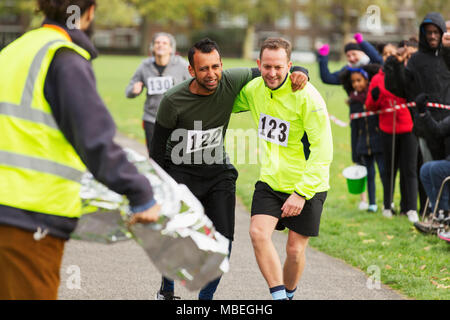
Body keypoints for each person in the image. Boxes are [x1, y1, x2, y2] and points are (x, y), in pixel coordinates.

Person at [0, 0, 160, 300]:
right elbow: (95, 139)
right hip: (28, 218)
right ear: (89, 12)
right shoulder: (62, 57)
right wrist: (141, 193)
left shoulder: (13, 51)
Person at [149, 38, 309, 300]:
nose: (211, 74)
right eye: (203, 69)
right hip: (180, 171)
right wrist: (159, 189)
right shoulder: (172, 100)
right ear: (191, 71)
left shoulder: (232, 80)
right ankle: (167, 290)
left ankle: (206, 299)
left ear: (222, 65)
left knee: (224, 241)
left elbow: (273, 70)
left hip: (218, 173)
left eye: (215, 67)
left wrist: (302, 71)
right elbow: (157, 149)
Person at [233, 38, 333, 300]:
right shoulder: (254, 90)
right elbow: (226, 103)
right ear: (258, 65)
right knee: (257, 233)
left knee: (294, 251)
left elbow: (323, 150)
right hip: (270, 182)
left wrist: (301, 193)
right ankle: (279, 296)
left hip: (308, 184)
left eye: (279, 67)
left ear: (290, 65)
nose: (273, 73)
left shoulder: (307, 96)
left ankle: (288, 294)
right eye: (267, 66)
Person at [384, 12, 450, 221]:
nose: (432, 36)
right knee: (428, 171)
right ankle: (430, 212)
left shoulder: (448, 57)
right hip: (424, 124)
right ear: (422, 34)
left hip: (448, 125)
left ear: (442, 33)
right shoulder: (417, 60)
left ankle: (444, 213)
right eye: (428, 32)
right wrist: (393, 67)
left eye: (435, 32)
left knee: (445, 171)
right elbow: (401, 87)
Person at [366, 42, 418, 220]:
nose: (388, 56)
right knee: (389, 169)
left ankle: (410, 207)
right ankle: (387, 205)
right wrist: (375, 98)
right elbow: (370, 107)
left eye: (392, 53)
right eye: (385, 53)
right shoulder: (377, 78)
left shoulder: (404, 73)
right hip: (387, 129)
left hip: (408, 127)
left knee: (409, 169)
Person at [125, 32, 191, 154]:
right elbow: (128, 91)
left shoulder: (182, 65)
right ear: (152, 47)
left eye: (164, 43)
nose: (160, 45)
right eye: (157, 43)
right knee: (155, 155)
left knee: (176, 156)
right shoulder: (144, 66)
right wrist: (134, 90)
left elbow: (194, 85)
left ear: (171, 48)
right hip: (151, 119)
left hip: (177, 120)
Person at [340, 64, 385, 213]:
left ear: (367, 80)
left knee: (384, 173)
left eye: (359, 80)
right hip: (363, 146)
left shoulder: (374, 97)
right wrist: (354, 153)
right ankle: (372, 203)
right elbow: (354, 130)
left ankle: (387, 203)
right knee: (369, 175)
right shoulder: (354, 102)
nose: (356, 84)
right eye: (353, 82)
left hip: (378, 142)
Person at [317, 33, 383, 85]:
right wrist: (323, 57)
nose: (351, 58)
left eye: (354, 54)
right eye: (348, 56)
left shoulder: (373, 66)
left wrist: (362, 43)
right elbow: (328, 78)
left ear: (363, 53)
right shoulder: (348, 70)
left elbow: (379, 61)